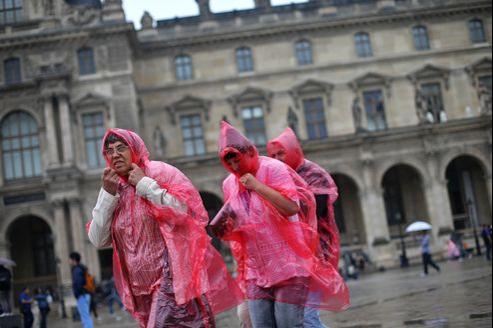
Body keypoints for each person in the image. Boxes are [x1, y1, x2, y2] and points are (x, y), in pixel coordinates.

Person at [87, 128, 242, 328]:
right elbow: (98, 240)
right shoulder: (113, 188)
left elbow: (188, 211)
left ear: (134, 149)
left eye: (121, 148)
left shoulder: (159, 172)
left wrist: (144, 184)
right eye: (109, 151)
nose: (114, 154)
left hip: (173, 282)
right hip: (140, 290)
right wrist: (107, 196)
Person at [211, 122, 349, 328]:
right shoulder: (229, 183)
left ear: (249, 153)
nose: (234, 167)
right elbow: (240, 218)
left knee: (293, 323)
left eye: (237, 160)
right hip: (256, 269)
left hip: (289, 265)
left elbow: (292, 207)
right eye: (228, 162)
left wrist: (257, 186)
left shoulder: (274, 169)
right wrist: (225, 226)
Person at [267, 127, 341, 328]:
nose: (277, 158)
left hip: (317, 255)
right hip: (293, 258)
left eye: (281, 153)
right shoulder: (279, 177)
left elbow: (316, 212)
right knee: (300, 318)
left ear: (294, 150)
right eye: (273, 155)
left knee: (306, 317)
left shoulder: (313, 174)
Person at [69, 252, 94, 328]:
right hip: (85, 294)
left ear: (74, 260)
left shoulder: (77, 270)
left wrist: (78, 293)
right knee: (86, 316)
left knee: (85, 317)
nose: (69, 261)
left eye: (70, 259)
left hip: (82, 296)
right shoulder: (82, 268)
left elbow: (78, 283)